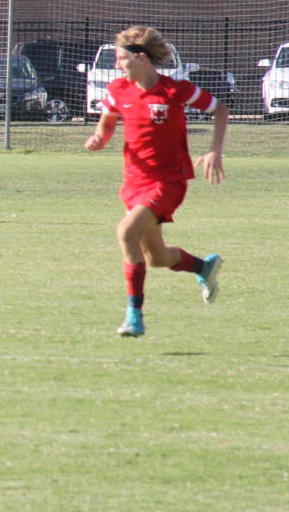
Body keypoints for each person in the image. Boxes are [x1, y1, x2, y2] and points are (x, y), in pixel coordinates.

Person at [84, 26, 227, 337]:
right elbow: (106, 124)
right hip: (133, 182)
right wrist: (99, 138)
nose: (118, 64)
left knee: (126, 232)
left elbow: (220, 109)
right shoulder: (118, 90)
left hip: (168, 182)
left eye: (121, 58)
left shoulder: (175, 90)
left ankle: (134, 316)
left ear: (141, 58)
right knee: (157, 257)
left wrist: (215, 149)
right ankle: (204, 267)